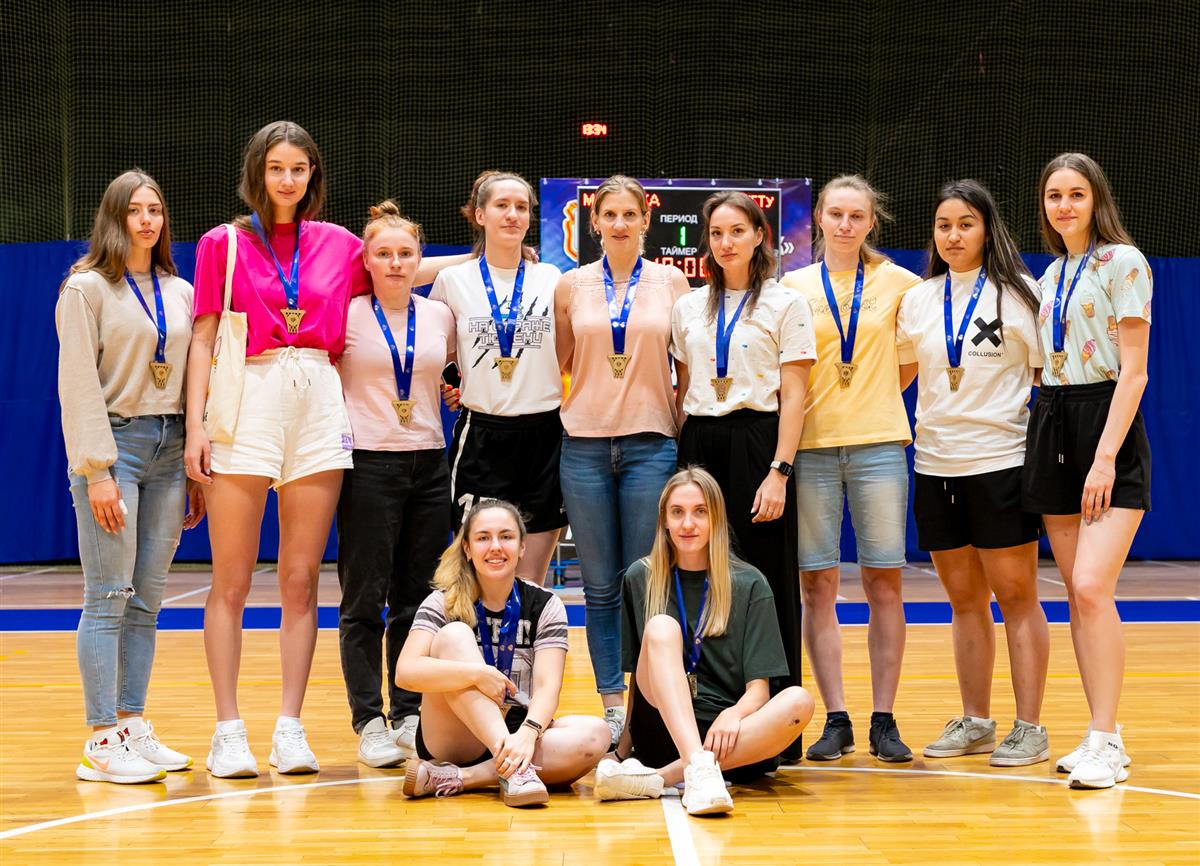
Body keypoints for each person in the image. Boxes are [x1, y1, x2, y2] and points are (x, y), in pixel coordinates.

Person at [185, 121, 460, 777]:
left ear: (313, 175)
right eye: (276, 168)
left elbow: (399, 263)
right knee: (231, 579)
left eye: (299, 169)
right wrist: (195, 425)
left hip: (317, 398)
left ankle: (290, 726)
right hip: (248, 393)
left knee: (301, 578)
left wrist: (490, 259)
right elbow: (203, 338)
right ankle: (228, 730)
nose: (288, 180)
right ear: (257, 172)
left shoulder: (337, 243)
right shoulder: (223, 243)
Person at [56, 169, 205, 783]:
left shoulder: (181, 290)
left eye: (155, 210)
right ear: (113, 218)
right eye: (135, 210)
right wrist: (97, 472)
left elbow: (193, 378)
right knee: (108, 595)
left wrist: (195, 465)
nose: (147, 220)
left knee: (146, 601)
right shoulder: (85, 288)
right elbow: (77, 385)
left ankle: (130, 723)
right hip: (116, 446)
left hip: (171, 448)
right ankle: (100, 739)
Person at [896, 179, 1050, 766]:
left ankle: (1030, 726)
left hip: (1000, 463)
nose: (953, 235)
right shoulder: (918, 299)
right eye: (944, 226)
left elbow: (1045, 376)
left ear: (987, 229)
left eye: (965, 224)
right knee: (964, 601)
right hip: (935, 464)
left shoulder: (1022, 294)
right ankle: (977, 720)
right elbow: (902, 376)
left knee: (1017, 597)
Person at [779, 174, 922, 763]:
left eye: (856, 216)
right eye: (835, 214)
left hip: (879, 445)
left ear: (871, 222)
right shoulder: (791, 285)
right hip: (811, 448)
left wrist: (869, 397)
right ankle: (836, 718)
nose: (844, 224)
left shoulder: (902, 284)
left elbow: (907, 365)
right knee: (817, 584)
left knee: (884, 581)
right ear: (818, 217)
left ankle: (884, 719)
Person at [1022, 153, 1152, 789]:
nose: (1064, 205)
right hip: (1054, 417)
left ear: (1096, 198)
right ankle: (1105, 734)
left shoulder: (1124, 262)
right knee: (1077, 593)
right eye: (1054, 195)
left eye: (1076, 194)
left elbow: (1135, 372)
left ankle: (1105, 739)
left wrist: (1103, 457)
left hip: (1105, 422)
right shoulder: (1051, 274)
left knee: (1094, 586)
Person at [670, 191, 814, 760]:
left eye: (737, 231)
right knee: (698, 574)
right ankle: (702, 714)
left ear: (759, 236)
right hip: (700, 443)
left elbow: (795, 396)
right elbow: (684, 390)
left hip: (759, 443)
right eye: (716, 233)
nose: (726, 242)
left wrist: (779, 470)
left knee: (766, 578)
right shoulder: (688, 307)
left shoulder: (787, 303)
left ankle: (775, 733)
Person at [554, 175, 690, 746]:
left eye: (629, 214)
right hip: (584, 444)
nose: (618, 223)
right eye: (608, 214)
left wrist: (675, 423)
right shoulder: (570, 285)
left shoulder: (672, 282)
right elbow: (562, 359)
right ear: (595, 222)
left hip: (650, 444)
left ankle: (647, 702)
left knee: (644, 581)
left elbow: (686, 366)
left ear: (644, 220)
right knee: (600, 587)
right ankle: (613, 704)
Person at [596, 468, 814, 816]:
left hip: (729, 737)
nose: (688, 524)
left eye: (700, 511)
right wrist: (622, 751)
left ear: (716, 519)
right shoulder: (641, 576)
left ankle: (661, 779)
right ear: (664, 520)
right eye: (677, 512)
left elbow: (759, 690)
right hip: (662, 731)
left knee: (799, 700)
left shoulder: (750, 583)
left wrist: (734, 714)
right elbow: (639, 678)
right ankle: (696, 767)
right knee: (661, 627)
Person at [336, 202, 456, 768]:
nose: (395, 263)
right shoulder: (347, 313)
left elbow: (451, 372)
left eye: (406, 253)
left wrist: (454, 388)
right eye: (383, 253)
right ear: (367, 260)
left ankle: (408, 711)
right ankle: (368, 720)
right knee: (364, 599)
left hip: (429, 463)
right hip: (367, 464)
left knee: (417, 598)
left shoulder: (439, 316)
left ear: (419, 259)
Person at [395, 499, 610, 806]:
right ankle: (516, 770)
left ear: (522, 547)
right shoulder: (443, 601)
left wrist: (529, 733)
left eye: (506, 537)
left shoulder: (545, 605)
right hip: (454, 736)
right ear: (467, 549)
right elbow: (406, 672)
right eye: (483, 538)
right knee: (454, 635)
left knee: (596, 734)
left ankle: (462, 777)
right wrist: (477, 674)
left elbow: (548, 688)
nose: (495, 546)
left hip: (518, 729)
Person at [432, 171, 566, 586]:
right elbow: (437, 352)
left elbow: (569, 350)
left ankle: (525, 633)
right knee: (475, 575)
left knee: (530, 579)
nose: (512, 215)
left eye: (521, 207)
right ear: (480, 215)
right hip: (482, 436)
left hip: (545, 436)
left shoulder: (553, 279)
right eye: (501, 206)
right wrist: (450, 383)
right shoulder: (453, 280)